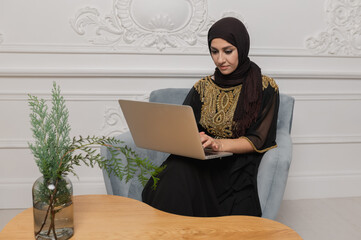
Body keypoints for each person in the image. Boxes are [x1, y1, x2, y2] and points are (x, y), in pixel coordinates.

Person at [142, 17, 279, 217]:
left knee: (178, 176)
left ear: (242, 46)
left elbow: (258, 139)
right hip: (201, 160)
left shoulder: (265, 87)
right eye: (214, 52)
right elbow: (185, 128)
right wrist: (197, 140)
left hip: (234, 167)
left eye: (228, 51)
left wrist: (219, 144)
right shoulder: (202, 87)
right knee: (174, 172)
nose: (220, 59)